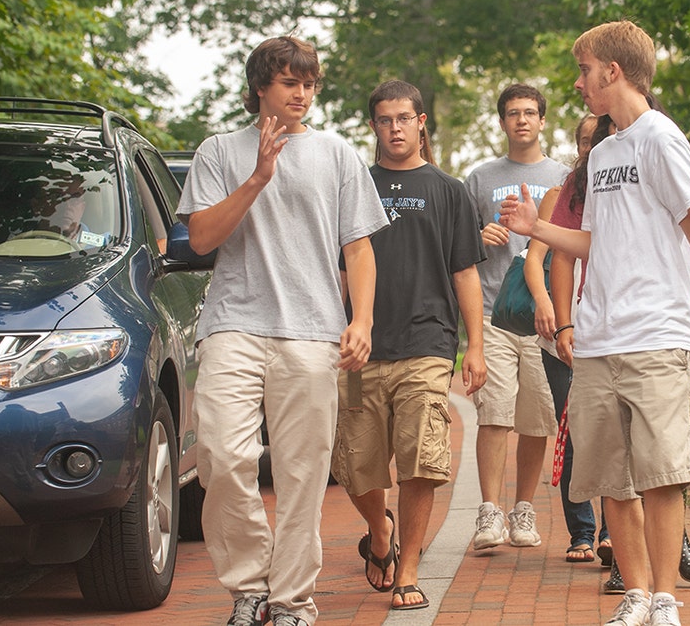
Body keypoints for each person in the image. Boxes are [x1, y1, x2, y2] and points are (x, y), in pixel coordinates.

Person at [499, 20, 690, 626]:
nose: (577, 81)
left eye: (584, 70)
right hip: (598, 341)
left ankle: (665, 599)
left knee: (662, 475)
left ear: (612, 71)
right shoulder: (607, 152)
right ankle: (636, 593)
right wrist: (535, 229)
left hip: (656, 337)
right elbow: (597, 242)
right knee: (611, 477)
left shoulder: (661, 139)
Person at [177, 36, 388, 626]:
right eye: (291, 82)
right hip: (233, 325)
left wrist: (362, 319)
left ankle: (292, 600)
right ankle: (249, 586)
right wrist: (257, 177)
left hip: (312, 331)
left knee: (302, 474)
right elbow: (199, 240)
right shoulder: (219, 151)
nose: (303, 93)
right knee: (219, 456)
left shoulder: (338, 155)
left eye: (310, 83)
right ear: (261, 87)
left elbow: (359, 247)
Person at [330, 79, 488, 611]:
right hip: (358, 348)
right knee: (354, 464)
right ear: (372, 125)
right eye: (384, 120)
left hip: (428, 342)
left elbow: (465, 272)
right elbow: (339, 269)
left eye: (403, 118)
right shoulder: (354, 185)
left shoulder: (448, 190)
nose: (394, 128)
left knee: (421, 458)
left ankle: (410, 569)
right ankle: (380, 530)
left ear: (421, 122)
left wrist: (476, 347)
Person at [463, 83, 569, 550]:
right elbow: (459, 249)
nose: (522, 120)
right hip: (493, 313)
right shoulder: (480, 178)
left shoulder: (566, 177)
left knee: (536, 418)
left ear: (543, 120)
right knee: (495, 413)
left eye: (530, 112)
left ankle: (522, 510)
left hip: (545, 316)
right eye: (512, 113)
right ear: (502, 122)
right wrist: (479, 235)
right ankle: (489, 511)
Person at [526, 114, 608, 564]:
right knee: (572, 432)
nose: (592, 146)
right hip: (565, 333)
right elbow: (544, 258)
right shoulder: (563, 193)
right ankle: (582, 532)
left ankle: (614, 534)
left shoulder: (627, 188)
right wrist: (559, 321)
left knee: (615, 436)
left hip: (612, 334)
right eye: (584, 140)